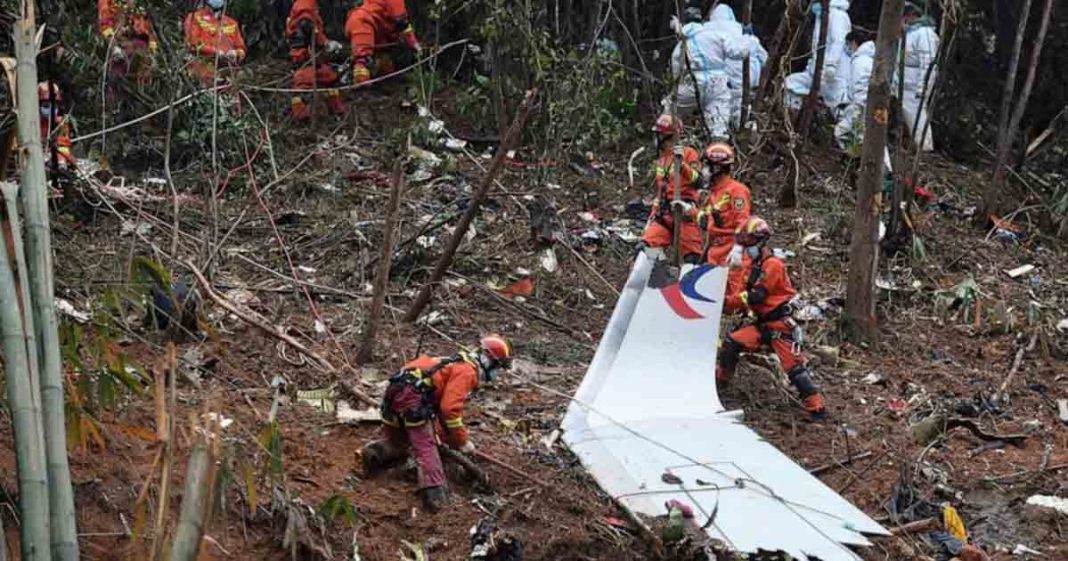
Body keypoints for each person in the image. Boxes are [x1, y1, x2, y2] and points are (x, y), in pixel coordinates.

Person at [362, 335, 514, 512]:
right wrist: (462, 441)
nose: (497, 373)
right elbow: (450, 410)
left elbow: (440, 411)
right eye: (498, 367)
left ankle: (374, 454)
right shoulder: (467, 371)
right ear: (489, 361)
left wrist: (448, 438)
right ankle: (438, 501)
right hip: (412, 398)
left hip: (396, 392)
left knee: (401, 441)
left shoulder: (454, 361)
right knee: (426, 447)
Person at [717, 217, 827, 418]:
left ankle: (817, 409)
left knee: (795, 370)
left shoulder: (773, 265)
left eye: (747, 242)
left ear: (759, 241)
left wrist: (729, 302)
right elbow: (742, 293)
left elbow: (757, 295)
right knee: (731, 344)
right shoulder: (752, 266)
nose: (744, 247)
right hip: (763, 326)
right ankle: (720, 384)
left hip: (781, 327)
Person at [662, 7, 744, 139]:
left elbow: (675, 70)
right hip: (718, 82)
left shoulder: (682, 42)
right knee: (718, 125)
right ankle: (719, 152)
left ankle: (664, 148)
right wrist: (749, 38)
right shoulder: (716, 35)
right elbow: (738, 52)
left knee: (670, 114)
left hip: (691, 83)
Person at [640, 115, 705, 263]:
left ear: (667, 136)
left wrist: (681, 165)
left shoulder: (688, 153)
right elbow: (660, 192)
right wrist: (652, 216)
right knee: (645, 248)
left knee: (692, 259)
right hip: (665, 216)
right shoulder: (661, 160)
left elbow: (698, 181)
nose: (656, 138)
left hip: (684, 214)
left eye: (659, 134)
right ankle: (657, 280)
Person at [704, 4, 767, 129]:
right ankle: (745, 132)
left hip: (719, 77)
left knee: (718, 106)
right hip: (748, 76)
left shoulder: (705, 29)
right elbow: (764, 56)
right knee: (740, 105)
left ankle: (720, 133)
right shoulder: (741, 28)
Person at [784, 0, 852, 111]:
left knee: (836, 106)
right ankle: (792, 116)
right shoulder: (820, 17)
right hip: (816, 71)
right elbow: (817, 49)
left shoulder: (838, 15)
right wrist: (811, 67)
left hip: (834, 75)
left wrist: (831, 65)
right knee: (791, 83)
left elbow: (838, 42)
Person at [286, 0, 346, 120]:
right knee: (304, 85)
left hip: (314, 55)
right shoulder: (305, 3)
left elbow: (312, 29)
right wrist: (324, 43)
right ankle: (301, 117)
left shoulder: (310, 5)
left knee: (329, 79)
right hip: (304, 54)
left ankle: (337, 113)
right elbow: (306, 25)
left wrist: (325, 43)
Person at [345, 0, 422, 84]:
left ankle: (376, 82)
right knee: (363, 62)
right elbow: (402, 23)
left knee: (384, 64)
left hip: (371, 27)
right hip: (364, 24)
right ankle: (361, 85)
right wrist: (414, 45)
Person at [698, 142, 750, 266]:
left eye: (707, 166)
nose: (703, 170)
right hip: (714, 252)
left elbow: (743, 221)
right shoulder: (714, 192)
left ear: (717, 168)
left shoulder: (737, 190)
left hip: (731, 253)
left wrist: (738, 248)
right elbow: (711, 221)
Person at [898, 2, 938, 151]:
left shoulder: (924, 33)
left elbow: (928, 63)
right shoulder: (910, 33)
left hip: (914, 86)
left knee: (917, 117)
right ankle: (912, 146)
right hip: (905, 84)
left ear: (911, 15)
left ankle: (924, 147)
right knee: (907, 117)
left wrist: (923, 87)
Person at [98, 0, 158, 92]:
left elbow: (150, 29)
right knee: (117, 82)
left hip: (142, 48)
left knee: (143, 83)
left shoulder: (142, 5)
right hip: (122, 45)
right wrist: (114, 45)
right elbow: (105, 23)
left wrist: (153, 52)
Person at [183, 0, 246, 84]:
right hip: (201, 74)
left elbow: (241, 48)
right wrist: (215, 52)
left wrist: (236, 53)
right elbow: (192, 43)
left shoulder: (232, 23)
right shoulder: (195, 17)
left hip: (227, 76)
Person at [834, 31, 874, 151]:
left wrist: (858, 107)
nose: (847, 48)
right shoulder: (868, 59)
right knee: (871, 138)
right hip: (867, 105)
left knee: (843, 132)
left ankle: (858, 160)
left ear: (854, 43)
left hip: (861, 106)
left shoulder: (860, 61)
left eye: (848, 44)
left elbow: (861, 85)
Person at [38, 82, 75, 171]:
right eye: (46, 106)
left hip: (54, 156)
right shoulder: (32, 122)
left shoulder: (61, 123)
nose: (50, 109)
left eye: (54, 105)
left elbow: (64, 145)